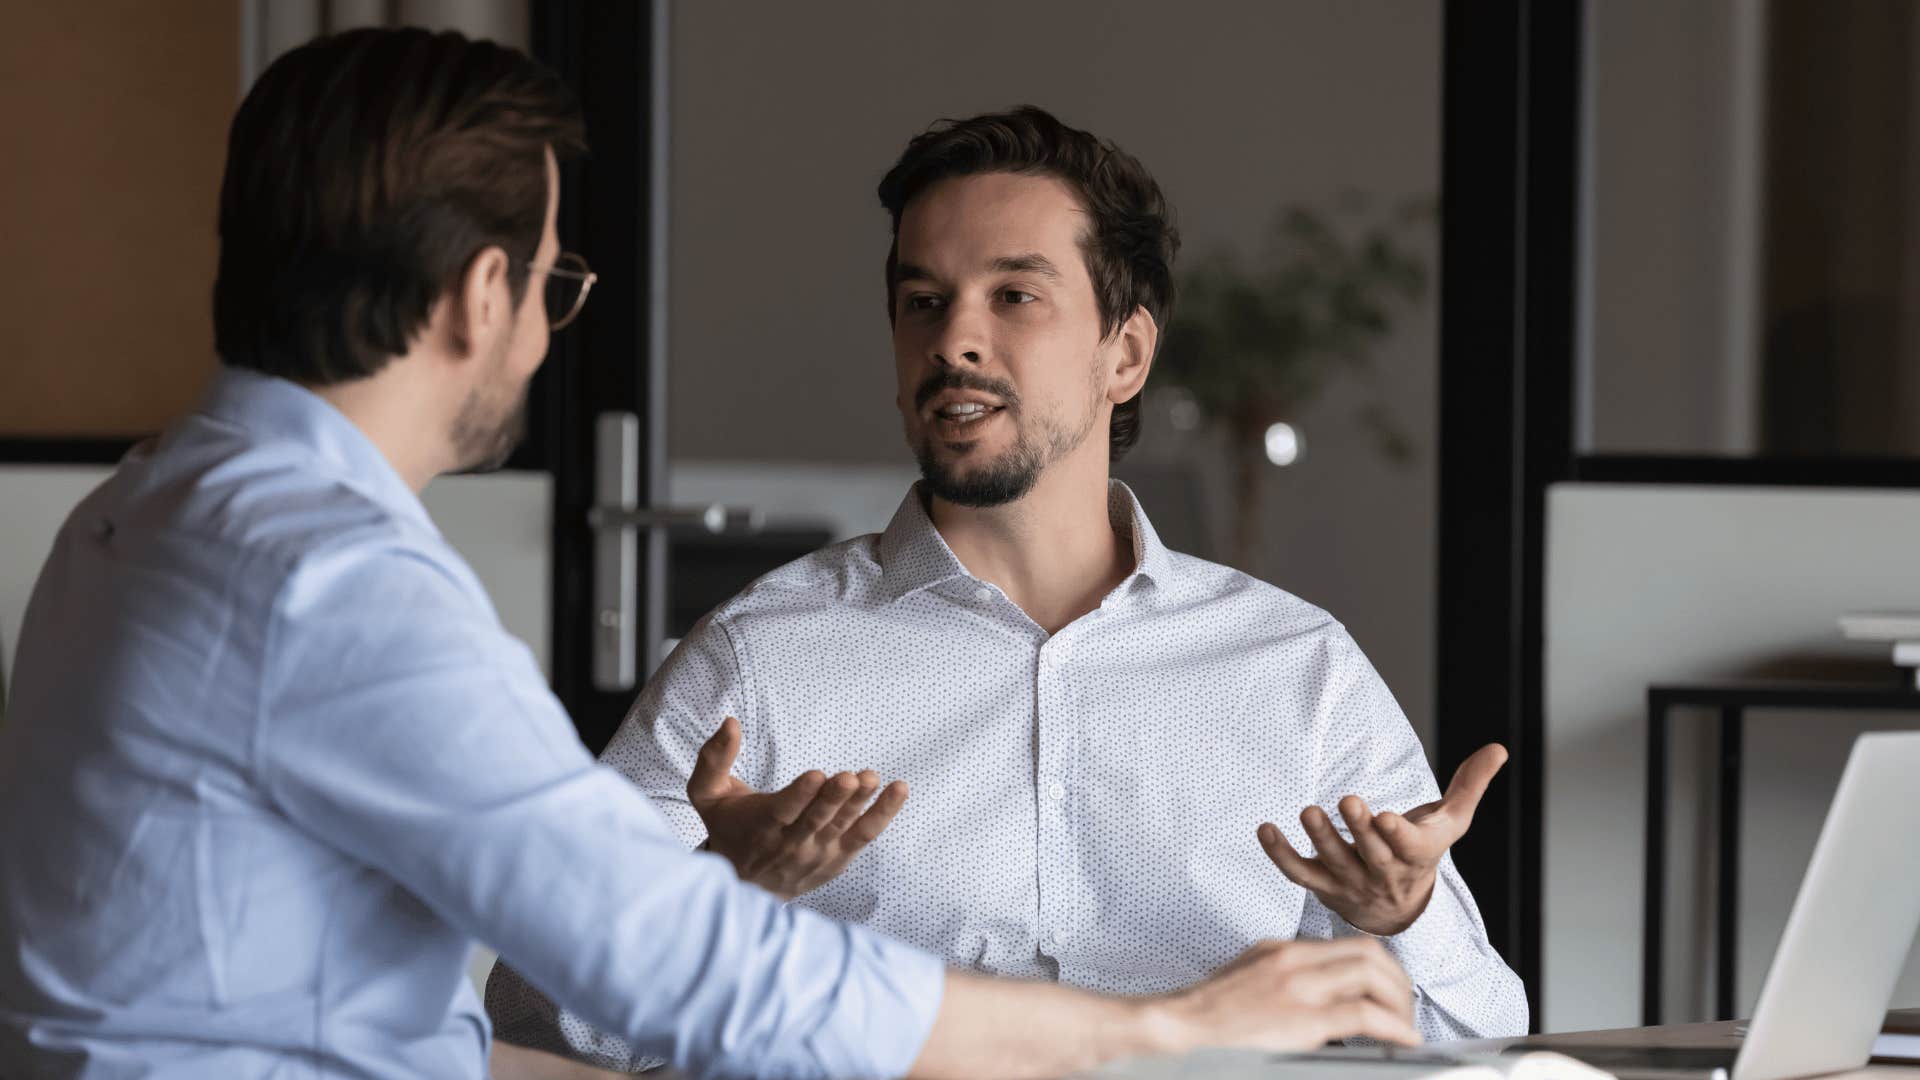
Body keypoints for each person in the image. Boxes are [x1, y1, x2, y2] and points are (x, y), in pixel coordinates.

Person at [0, 31, 1422, 1080]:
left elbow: (463, 970)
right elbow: (658, 967)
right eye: (556, 283)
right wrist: (1167, 1031)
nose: (550, 330)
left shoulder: (144, 514)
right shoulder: (330, 582)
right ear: (482, 293)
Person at [488, 106, 1527, 1070]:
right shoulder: (758, 662)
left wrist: (1403, 912)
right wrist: (716, 896)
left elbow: (1481, 1039)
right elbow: (536, 1025)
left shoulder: (1298, 670)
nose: (954, 340)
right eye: (922, 303)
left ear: (1124, 354)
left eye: (1014, 296)